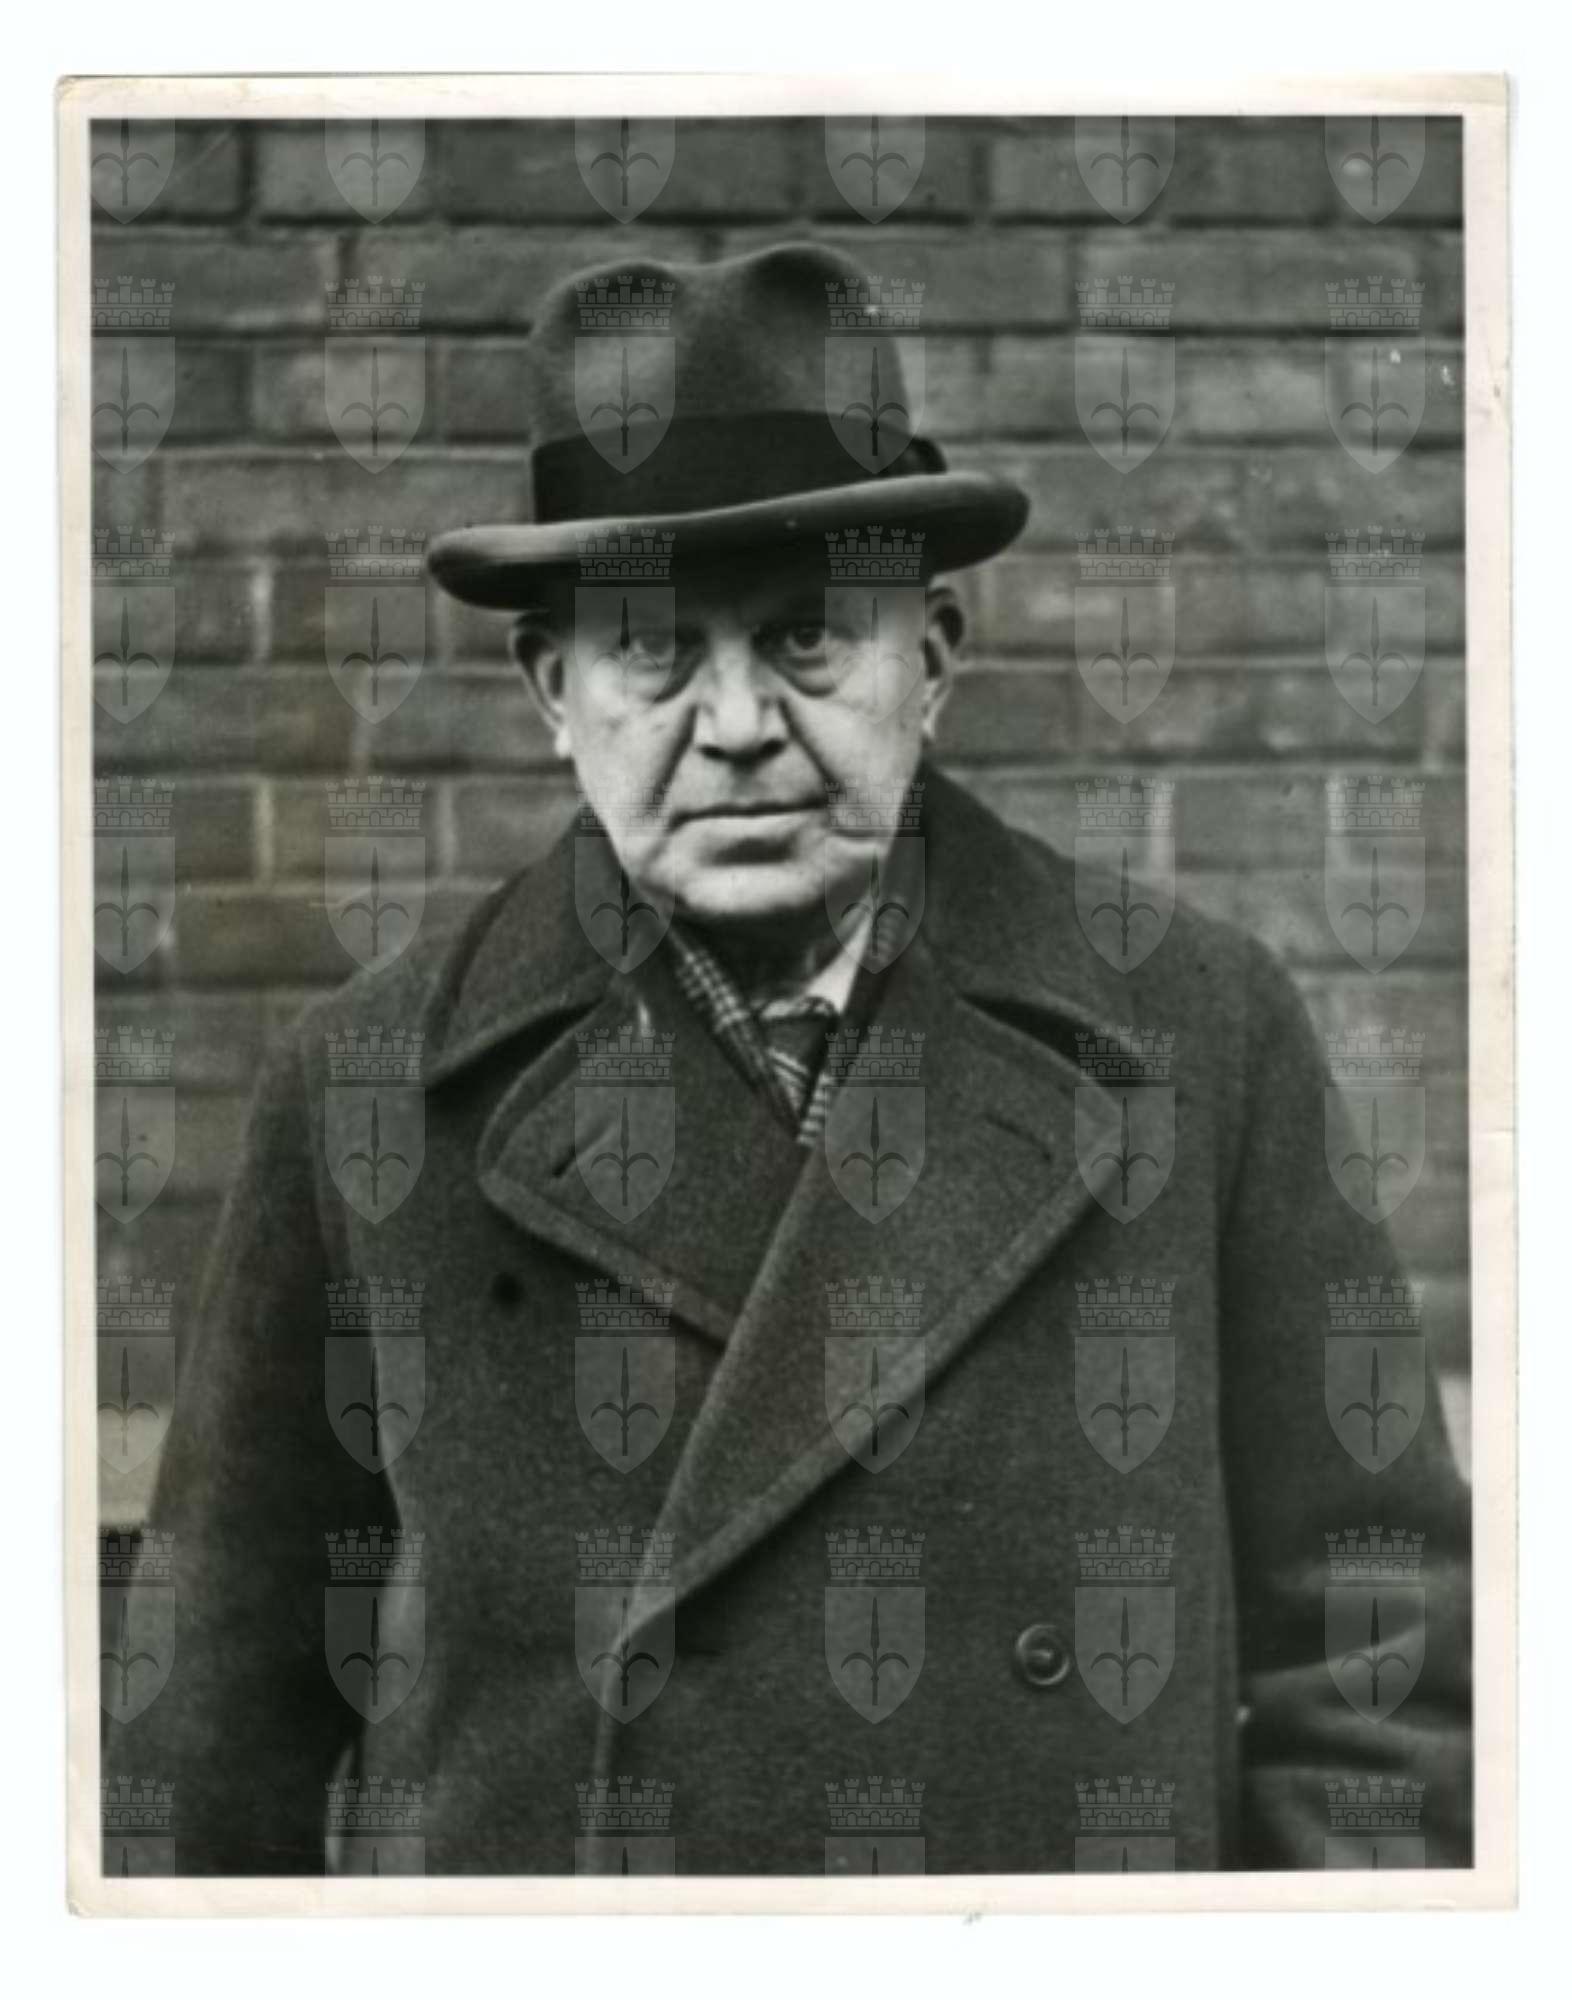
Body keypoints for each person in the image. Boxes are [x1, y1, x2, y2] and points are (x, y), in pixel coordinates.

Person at [125, 243, 1470, 1875]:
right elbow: (212, 1758)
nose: (741, 724)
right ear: (552, 690)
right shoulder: (371, 1093)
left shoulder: (1196, 1034)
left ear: (935, 658)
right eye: (653, 651)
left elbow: (1379, 1666)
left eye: (811, 638)